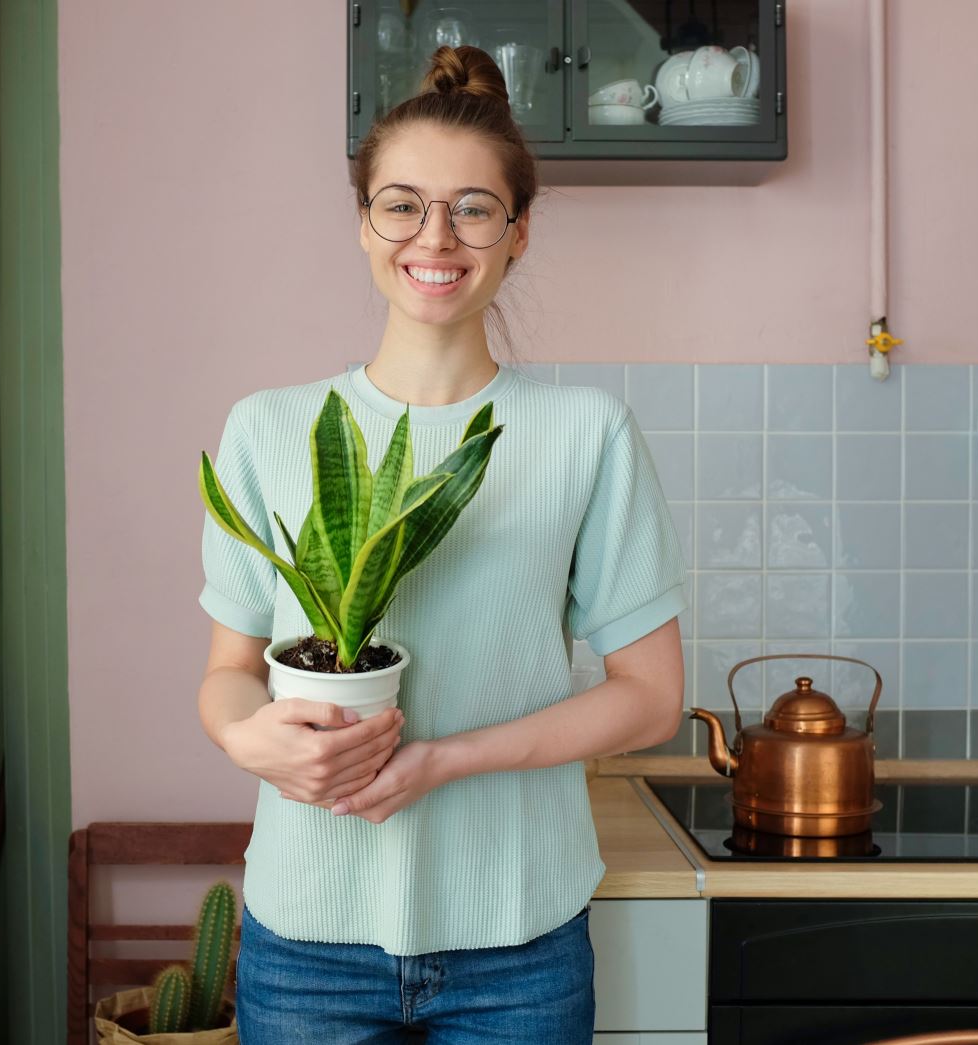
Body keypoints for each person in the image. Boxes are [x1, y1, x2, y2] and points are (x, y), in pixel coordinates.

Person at [196, 44, 687, 1045]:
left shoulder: (585, 433)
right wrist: (248, 738)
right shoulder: (268, 426)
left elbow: (650, 695)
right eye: (401, 203)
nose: (436, 235)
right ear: (362, 222)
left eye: (472, 207)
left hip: (517, 938)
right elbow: (228, 673)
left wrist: (443, 760)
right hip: (308, 940)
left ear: (517, 234)